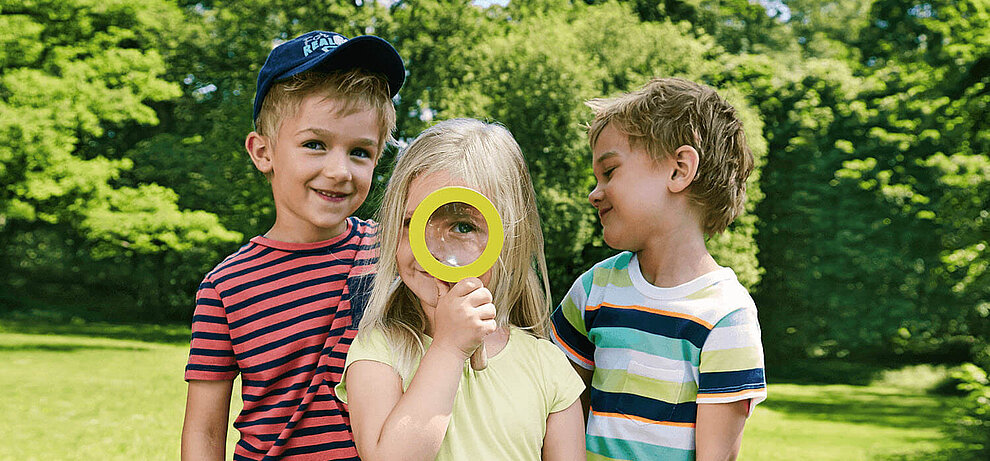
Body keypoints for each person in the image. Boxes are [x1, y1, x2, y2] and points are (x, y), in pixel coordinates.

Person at [180, 30, 404, 460]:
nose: (339, 170)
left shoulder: (394, 254)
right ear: (263, 152)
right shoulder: (224, 288)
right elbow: (205, 434)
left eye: (360, 152)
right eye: (315, 145)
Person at [335, 118, 586, 461]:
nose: (430, 248)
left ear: (508, 239)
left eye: (463, 226)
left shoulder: (547, 366)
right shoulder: (379, 351)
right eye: (412, 223)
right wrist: (449, 349)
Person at [550, 77, 767, 461]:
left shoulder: (727, 317)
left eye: (610, 171)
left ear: (679, 169)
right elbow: (554, 403)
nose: (594, 193)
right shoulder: (593, 290)